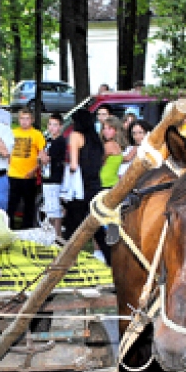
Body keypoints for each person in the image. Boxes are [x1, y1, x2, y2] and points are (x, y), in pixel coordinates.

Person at [65, 107, 107, 261]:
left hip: (80, 187)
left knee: (72, 226)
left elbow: (74, 165)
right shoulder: (95, 139)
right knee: (97, 226)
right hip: (95, 184)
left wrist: (67, 181)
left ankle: (67, 260)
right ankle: (110, 257)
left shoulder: (75, 136)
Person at [7, 109, 45, 230]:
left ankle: (27, 228)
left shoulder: (37, 134)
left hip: (29, 175)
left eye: (27, 119)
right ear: (18, 120)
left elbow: (42, 154)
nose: (24, 121)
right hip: (13, 174)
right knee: (12, 203)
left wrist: (35, 169)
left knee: (29, 204)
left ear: (32, 120)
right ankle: (9, 226)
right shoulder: (12, 133)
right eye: (22, 118)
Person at [40, 113, 67, 237]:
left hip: (55, 179)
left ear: (61, 127)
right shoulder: (49, 141)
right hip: (47, 176)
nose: (52, 127)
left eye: (55, 125)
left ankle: (57, 236)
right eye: (50, 124)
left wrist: (42, 155)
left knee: (55, 209)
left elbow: (46, 159)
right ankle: (50, 235)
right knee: (49, 208)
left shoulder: (59, 142)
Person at [99, 116, 127, 188]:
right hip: (114, 182)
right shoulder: (118, 145)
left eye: (109, 128)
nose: (105, 131)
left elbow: (98, 163)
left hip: (103, 182)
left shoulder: (108, 145)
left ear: (116, 130)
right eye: (104, 128)